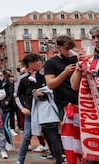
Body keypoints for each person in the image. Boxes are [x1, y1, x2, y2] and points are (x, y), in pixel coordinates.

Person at [13, 53, 63, 164]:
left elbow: (53, 90)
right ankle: (20, 160)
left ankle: (58, 158)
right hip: (30, 112)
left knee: (52, 135)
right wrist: (22, 108)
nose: (40, 62)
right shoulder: (22, 78)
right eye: (37, 61)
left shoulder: (46, 76)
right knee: (27, 136)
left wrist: (44, 95)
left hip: (45, 111)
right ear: (30, 64)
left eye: (40, 60)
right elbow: (17, 95)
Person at [44, 35, 78, 163]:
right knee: (69, 137)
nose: (69, 51)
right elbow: (50, 84)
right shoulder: (51, 63)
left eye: (71, 48)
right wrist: (64, 73)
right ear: (58, 47)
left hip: (81, 103)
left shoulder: (75, 59)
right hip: (64, 105)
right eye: (66, 48)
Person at [70, 26, 99, 163]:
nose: (96, 40)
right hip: (92, 116)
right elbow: (74, 85)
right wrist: (79, 65)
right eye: (93, 37)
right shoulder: (88, 60)